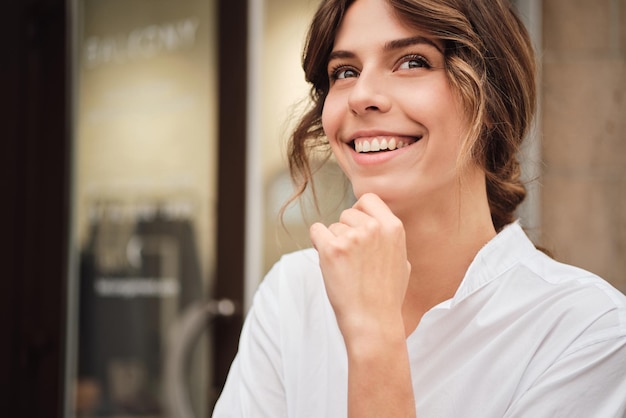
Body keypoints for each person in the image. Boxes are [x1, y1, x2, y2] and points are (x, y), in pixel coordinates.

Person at [213, 0, 626, 416]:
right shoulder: (292, 293)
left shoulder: (590, 330)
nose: (362, 96)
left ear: (491, 99)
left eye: (412, 62)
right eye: (345, 72)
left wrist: (375, 338)